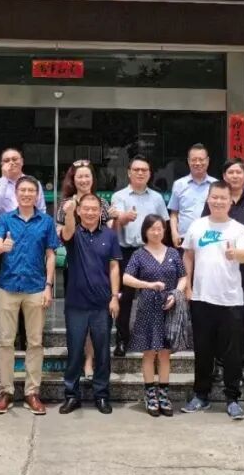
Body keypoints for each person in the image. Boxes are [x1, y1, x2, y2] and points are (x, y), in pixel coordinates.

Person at [181, 182, 244, 421]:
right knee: (203, 351)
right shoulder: (197, 225)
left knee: (232, 353)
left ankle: (233, 399)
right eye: (215, 197)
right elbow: (188, 255)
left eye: (223, 198)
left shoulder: (238, 229)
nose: (218, 201)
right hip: (201, 298)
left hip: (230, 300)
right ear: (208, 199)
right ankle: (201, 395)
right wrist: (188, 286)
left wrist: (235, 253)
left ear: (230, 201)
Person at [0, 176, 58, 415]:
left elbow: (51, 255)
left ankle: (32, 392)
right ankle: (5, 391)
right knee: (5, 341)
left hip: (36, 287)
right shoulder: (6, 219)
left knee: (35, 342)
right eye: (23, 190)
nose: (27, 194)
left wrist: (49, 286)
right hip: (8, 286)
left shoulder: (46, 221)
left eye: (31, 190)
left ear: (37, 195)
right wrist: (0, 246)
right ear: (16, 194)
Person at [203, 159, 244, 386]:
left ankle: (241, 364)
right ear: (224, 176)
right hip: (218, 269)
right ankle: (218, 363)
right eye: (230, 172)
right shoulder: (216, 201)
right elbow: (204, 233)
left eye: (238, 172)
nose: (234, 176)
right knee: (217, 314)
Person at [58, 193, 121, 415]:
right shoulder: (73, 233)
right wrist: (68, 213)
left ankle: (101, 395)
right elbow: (66, 232)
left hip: (102, 304)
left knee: (102, 353)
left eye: (95, 209)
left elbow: (114, 267)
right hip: (76, 304)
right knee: (75, 352)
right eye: (86, 208)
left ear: (101, 212)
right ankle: (71, 395)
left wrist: (115, 297)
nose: (90, 212)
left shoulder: (110, 235)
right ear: (79, 211)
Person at [122, 214, 186, 417]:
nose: (156, 232)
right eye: (152, 229)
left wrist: (176, 294)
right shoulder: (139, 254)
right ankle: (150, 394)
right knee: (149, 353)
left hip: (169, 307)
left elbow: (183, 277)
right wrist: (148, 285)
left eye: (160, 228)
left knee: (165, 353)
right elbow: (126, 278)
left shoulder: (173, 253)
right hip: (148, 307)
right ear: (145, 231)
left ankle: (164, 394)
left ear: (164, 230)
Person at [56, 160, 113, 375]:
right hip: (75, 267)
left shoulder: (102, 203)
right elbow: (60, 232)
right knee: (77, 317)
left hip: (98, 267)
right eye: (79, 176)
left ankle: (90, 359)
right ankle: (76, 358)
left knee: (97, 317)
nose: (83, 180)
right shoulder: (65, 204)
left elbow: (108, 231)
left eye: (87, 176)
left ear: (92, 179)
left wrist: (118, 218)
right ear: (74, 179)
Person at [110, 156, 168, 356]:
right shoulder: (119, 196)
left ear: (150, 173)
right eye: (136, 170)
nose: (140, 173)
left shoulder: (157, 198)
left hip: (151, 251)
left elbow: (164, 224)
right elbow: (115, 221)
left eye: (144, 170)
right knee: (125, 297)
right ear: (129, 172)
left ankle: (154, 337)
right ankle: (122, 339)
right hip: (126, 251)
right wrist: (124, 218)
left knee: (154, 295)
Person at [0, 148, 41, 354]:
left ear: (22, 161)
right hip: (4, 241)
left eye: (15, 159)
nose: (12, 163)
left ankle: (27, 338)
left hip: (30, 241)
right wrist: (5, 178)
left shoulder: (33, 184)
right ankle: (0, 337)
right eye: (7, 160)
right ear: (1, 164)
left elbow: (41, 210)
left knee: (29, 290)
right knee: (5, 291)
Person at [168, 144, 216, 248]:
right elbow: (174, 214)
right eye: (194, 160)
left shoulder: (216, 185)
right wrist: (174, 233)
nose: (197, 163)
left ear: (208, 160)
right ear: (188, 161)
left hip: (210, 239)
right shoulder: (179, 184)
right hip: (185, 239)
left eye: (201, 159)